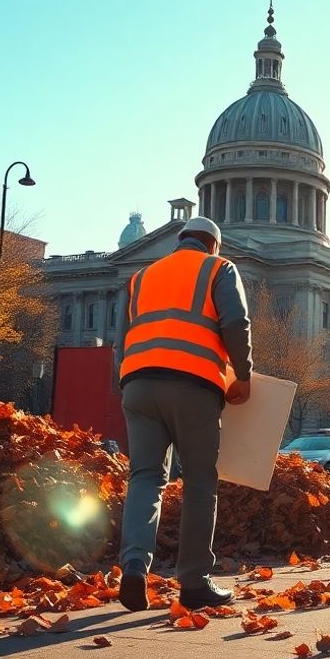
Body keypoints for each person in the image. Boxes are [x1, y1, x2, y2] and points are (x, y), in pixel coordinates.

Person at [115, 216, 252, 613]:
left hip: (138, 385)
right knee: (199, 482)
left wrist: (122, 383)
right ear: (214, 245)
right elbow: (235, 323)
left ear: (179, 241)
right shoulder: (218, 268)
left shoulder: (142, 276)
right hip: (193, 385)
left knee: (144, 478)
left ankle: (134, 566)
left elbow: (121, 337)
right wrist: (242, 376)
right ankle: (193, 581)